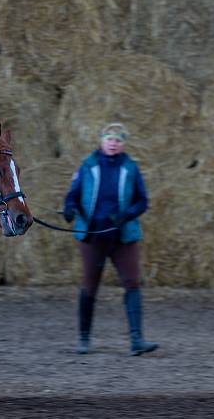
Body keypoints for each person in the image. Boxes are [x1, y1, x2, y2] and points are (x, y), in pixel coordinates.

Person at [62, 123, 158, 356]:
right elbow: (72, 196)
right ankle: (83, 339)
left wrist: (126, 215)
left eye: (118, 140)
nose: (113, 143)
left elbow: (142, 201)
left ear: (123, 144)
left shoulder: (131, 168)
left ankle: (137, 340)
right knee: (89, 286)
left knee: (132, 282)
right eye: (109, 139)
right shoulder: (88, 165)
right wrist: (70, 209)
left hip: (123, 236)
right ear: (102, 141)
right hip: (93, 235)